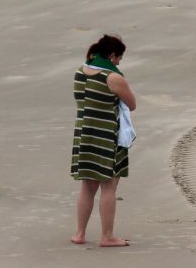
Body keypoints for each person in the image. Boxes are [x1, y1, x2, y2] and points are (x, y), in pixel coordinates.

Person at [71, 35, 137, 247]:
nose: (119, 63)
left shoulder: (80, 71)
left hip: (84, 133)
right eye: (119, 58)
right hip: (106, 135)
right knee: (108, 186)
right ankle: (107, 236)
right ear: (111, 55)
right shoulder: (113, 77)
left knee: (87, 187)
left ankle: (80, 233)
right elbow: (132, 104)